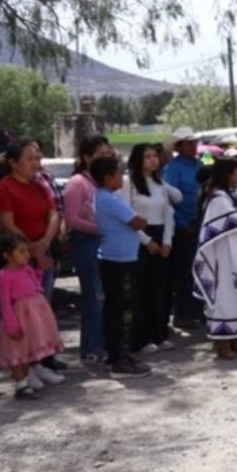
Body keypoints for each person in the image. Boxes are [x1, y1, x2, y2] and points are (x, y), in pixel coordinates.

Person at [0, 137, 67, 374]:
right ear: (14, 163)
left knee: (41, 309)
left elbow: (53, 213)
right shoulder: (4, 188)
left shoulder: (39, 185)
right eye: (30, 159)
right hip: (20, 257)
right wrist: (33, 250)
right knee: (22, 314)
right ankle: (26, 365)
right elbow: (7, 224)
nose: (36, 163)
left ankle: (43, 358)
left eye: (38, 158)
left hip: (43, 250)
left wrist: (45, 242)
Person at [90, 155, 155, 378]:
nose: (122, 177)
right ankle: (118, 359)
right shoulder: (109, 199)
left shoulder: (107, 196)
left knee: (121, 309)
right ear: (108, 177)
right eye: (118, 173)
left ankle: (120, 353)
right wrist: (142, 218)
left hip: (121, 258)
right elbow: (137, 222)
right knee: (121, 311)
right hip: (118, 261)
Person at [193, 158, 237, 360]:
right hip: (222, 254)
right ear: (229, 173)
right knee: (223, 295)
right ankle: (222, 343)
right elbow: (232, 219)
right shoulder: (217, 197)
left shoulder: (230, 194)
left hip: (235, 252)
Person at [0, 235, 66, 400]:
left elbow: (35, 284)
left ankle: (32, 373)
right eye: (21, 252)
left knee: (30, 346)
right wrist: (11, 324)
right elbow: (4, 302)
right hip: (19, 317)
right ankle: (21, 385)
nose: (26, 255)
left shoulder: (26, 269)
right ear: (7, 255)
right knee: (17, 352)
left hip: (35, 315)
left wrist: (38, 270)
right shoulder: (4, 275)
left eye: (27, 251)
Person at [62, 134, 112, 363]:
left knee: (105, 296)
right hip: (86, 243)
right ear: (86, 157)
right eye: (101, 155)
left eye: (108, 154)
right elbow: (71, 219)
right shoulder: (77, 183)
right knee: (94, 296)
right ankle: (91, 348)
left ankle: (103, 343)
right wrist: (100, 227)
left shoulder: (103, 183)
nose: (106, 158)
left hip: (105, 244)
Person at [123, 143, 177, 354]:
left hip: (160, 235)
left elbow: (168, 214)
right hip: (139, 238)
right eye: (147, 157)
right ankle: (141, 338)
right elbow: (127, 216)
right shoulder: (129, 183)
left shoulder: (160, 184)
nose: (153, 160)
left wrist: (166, 242)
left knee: (160, 289)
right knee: (142, 290)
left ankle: (160, 334)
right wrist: (147, 241)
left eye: (155, 156)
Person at [163, 127, 204, 327]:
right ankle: (183, 314)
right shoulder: (173, 169)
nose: (193, 146)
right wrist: (182, 224)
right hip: (183, 226)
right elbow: (169, 199)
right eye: (188, 143)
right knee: (184, 271)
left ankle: (199, 310)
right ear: (179, 146)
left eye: (194, 142)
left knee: (201, 268)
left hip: (201, 223)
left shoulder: (200, 164)